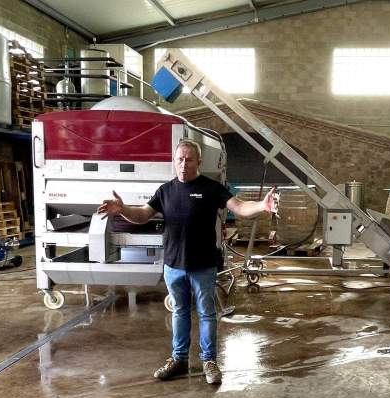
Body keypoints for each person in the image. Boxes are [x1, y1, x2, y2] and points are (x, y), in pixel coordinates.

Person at [97, 139, 275, 385]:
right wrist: (123, 209)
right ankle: (179, 359)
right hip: (173, 265)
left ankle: (209, 361)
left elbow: (241, 207)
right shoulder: (165, 190)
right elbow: (142, 215)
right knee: (180, 313)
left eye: (189, 159)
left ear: (199, 162)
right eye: (179, 159)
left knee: (207, 314)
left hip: (203, 265)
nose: (183, 164)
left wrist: (262, 206)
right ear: (174, 162)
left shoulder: (211, 188)